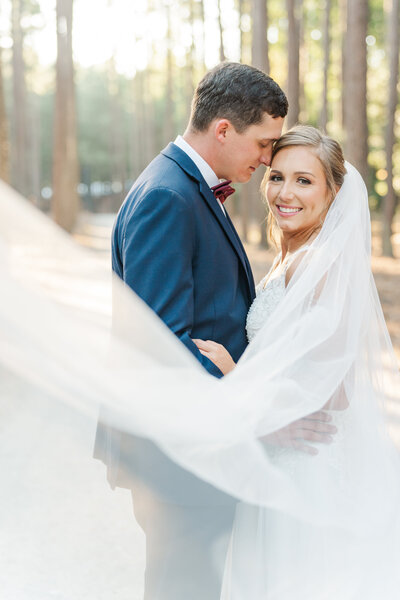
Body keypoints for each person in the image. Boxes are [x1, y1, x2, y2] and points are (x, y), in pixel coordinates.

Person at [93, 65, 335, 600]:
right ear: (223, 129)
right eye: (264, 143)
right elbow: (159, 345)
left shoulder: (185, 187)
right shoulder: (168, 197)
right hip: (180, 453)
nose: (268, 159)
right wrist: (258, 419)